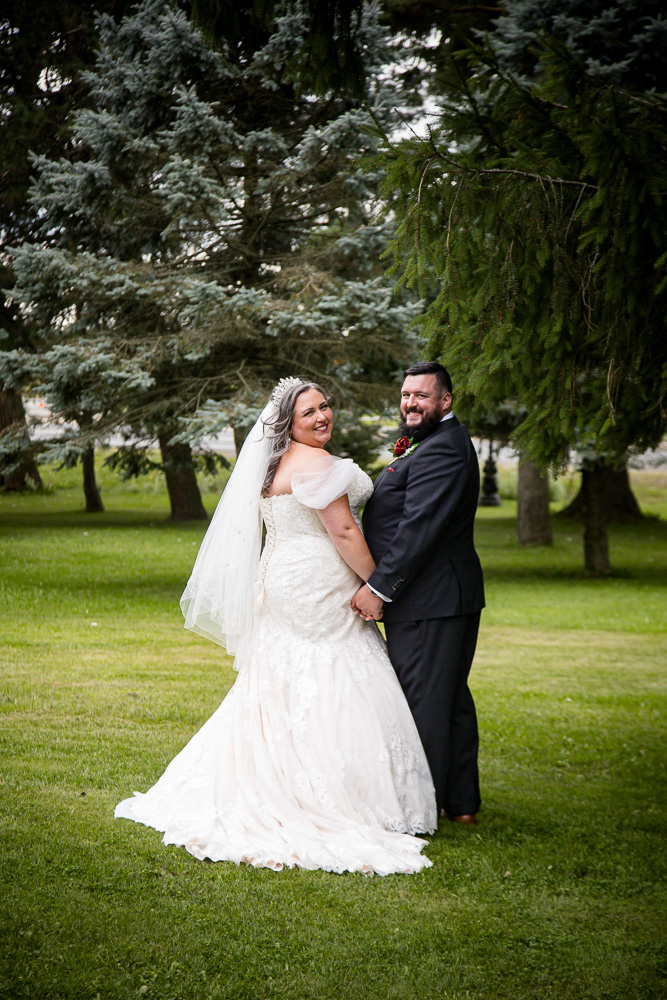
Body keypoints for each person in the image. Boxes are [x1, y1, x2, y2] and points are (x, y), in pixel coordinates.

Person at [115, 377, 436, 875]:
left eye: (325, 406)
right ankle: (331, 793)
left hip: (282, 577)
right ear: (289, 422)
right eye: (309, 413)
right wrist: (378, 587)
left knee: (284, 676)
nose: (322, 416)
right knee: (335, 671)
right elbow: (345, 529)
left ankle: (277, 774)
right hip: (320, 579)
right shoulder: (319, 465)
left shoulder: (272, 464)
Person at [352, 362, 485, 824]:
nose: (410, 403)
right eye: (406, 394)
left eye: (421, 396)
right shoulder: (431, 444)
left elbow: (418, 529)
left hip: (431, 599)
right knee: (447, 697)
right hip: (441, 597)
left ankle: (418, 808)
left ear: (445, 401)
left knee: (424, 700)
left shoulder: (443, 450)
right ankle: (460, 802)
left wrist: (380, 589)